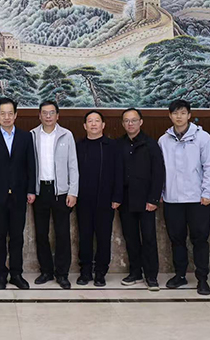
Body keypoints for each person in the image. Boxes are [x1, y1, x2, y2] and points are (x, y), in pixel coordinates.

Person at [158, 99, 210, 296]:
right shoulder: (163, 140)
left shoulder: (203, 138)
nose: (179, 116)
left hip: (197, 199)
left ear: (189, 115)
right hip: (172, 199)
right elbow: (160, 170)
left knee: (200, 240)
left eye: (183, 113)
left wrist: (207, 192)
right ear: (170, 116)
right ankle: (180, 275)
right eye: (175, 113)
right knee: (177, 240)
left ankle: (202, 279)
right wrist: (161, 193)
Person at [0, 97, 36, 290]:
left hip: (19, 195)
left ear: (16, 115)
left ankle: (16, 274)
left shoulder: (26, 137)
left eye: (10, 113)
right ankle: (1, 275)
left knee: (17, 237)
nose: (6, 117)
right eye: (3, 113)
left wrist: (31, 190)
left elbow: (31, 166)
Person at [30, 100, 79, 289]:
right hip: (40, 191)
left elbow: (73, 165)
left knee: (62, 234)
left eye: (52, 113)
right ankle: (46, 271)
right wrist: (30, 190)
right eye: (45, 113)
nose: (48, 116)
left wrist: (73, 191)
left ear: (58, 115)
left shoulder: (67, 135)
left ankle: (62, 274)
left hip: (61, 192)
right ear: (39, 115)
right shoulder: (32, 135)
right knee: (41, 233)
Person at [116, 108, 164, 291]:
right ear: (123, 124)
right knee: (131, 238)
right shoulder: (118, 144)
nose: (130, 124)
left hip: (146, 201)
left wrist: (153, 199)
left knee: (149, 238)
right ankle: (135, 272)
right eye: (127, 121)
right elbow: (115, 174)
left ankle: (151, 276)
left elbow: (158, 173)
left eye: (134, 120)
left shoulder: (151, 144)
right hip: (125, 200)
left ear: (141, 122)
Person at [74, 110, 122, 286]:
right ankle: (85, 271)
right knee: (84, 236)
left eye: (97, 121)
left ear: (103, 125)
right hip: (83, 199)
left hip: (106, 199)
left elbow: (119, 172)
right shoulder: (78, 146)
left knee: (103, 237)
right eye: (90, 121)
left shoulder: (112, 146)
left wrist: (117, 196)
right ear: (84, 126)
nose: (93, 124)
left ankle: (101, 272)